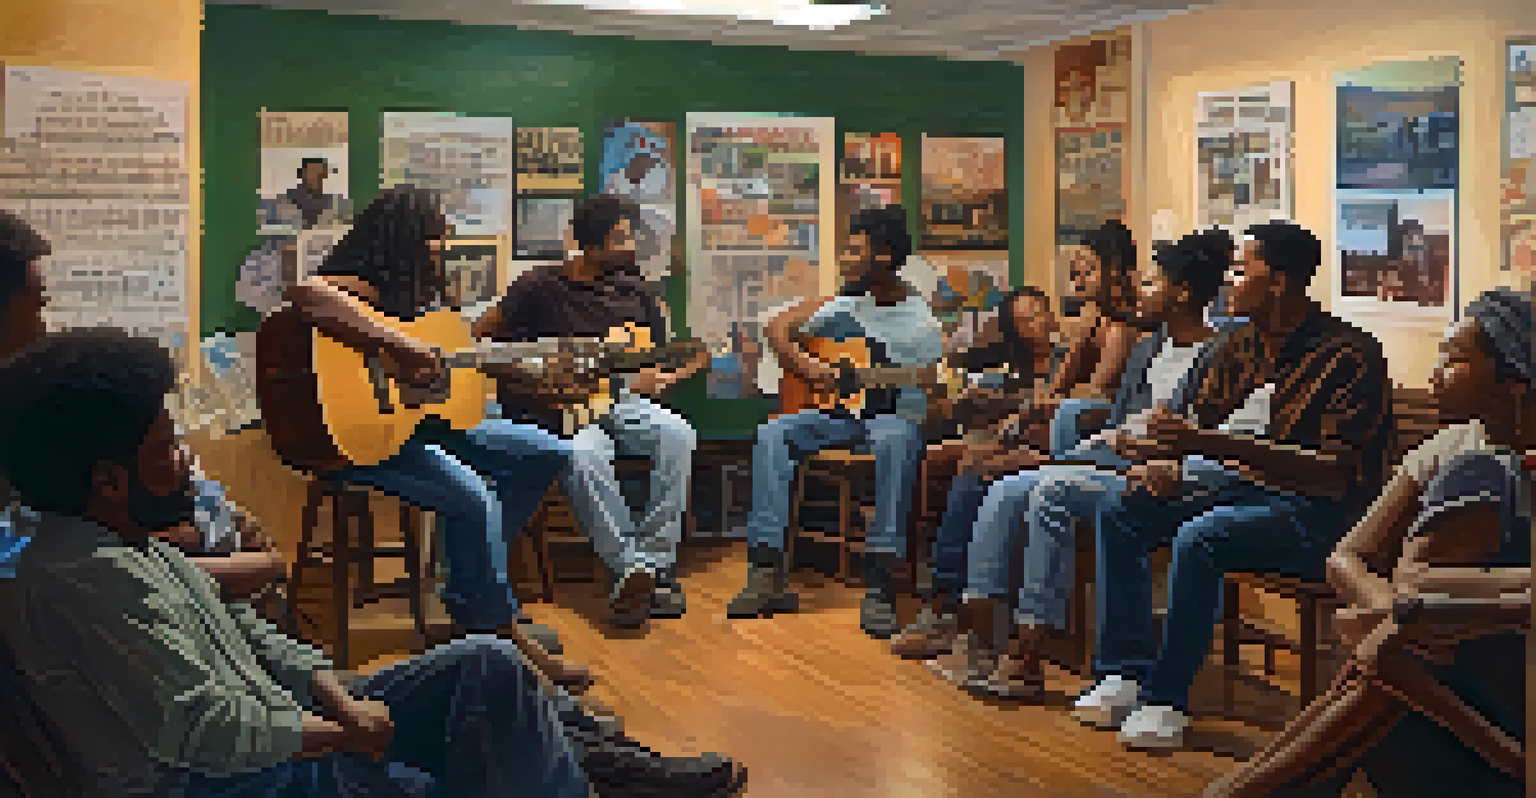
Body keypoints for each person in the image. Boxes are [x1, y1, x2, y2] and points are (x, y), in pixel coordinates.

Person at [0, 328, 747, 798]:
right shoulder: (86, 577)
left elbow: (251, 639)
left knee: (487, 661)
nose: (184, 465)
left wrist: (333, 694)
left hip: (274, 732)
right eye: (166, 451)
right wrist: (342, 734)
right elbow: (209, 735)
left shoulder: (125, 542)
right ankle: (579, 763)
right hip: (243, 779)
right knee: (467, 736)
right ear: (107, 480)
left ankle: (581, 760)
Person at [1063, 220, 1394, 749]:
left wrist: (1203, 446)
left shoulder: (1349, 355)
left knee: (1202, 536)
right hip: (1236, 485)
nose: (1228, 283)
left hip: (1323, 517)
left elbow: (1333, 473)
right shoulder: (1237, 347)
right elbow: (1195, 425)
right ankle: (1123, 672)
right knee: (1125, 508)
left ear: (1280, 282)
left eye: (1241, 271)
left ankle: (1166, 699)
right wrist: (1160, 456)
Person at [1204, 287, 1533, 797]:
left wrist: (1405, 615)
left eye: (1454, 360)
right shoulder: (1453, 447)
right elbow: (1347, 556)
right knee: (1390, 660)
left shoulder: (1490, 468)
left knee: (1386, 662)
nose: (1435, 372)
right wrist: (1390, 607)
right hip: (1440, 653)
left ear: (1512, 381)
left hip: (1493, 656)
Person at [263, 185, 579, 677]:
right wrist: (401, 348)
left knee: (547, 452)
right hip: (363, 438)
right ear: (402, 236)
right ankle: (496, 624)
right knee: (472, 496)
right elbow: (307, 295)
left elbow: (455, 366)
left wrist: (529, 374)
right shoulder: (363, 285)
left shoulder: (424, 298)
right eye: (434, 233)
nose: (444, 240)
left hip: (422, 425)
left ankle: (470, 587)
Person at [907, 229, 1235, 688]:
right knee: (1001, 489)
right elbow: (1111, 413)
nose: (1142, 290)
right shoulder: (1149, 349)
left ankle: (1027, 653)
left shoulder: (1219, 352)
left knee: (1045, 488)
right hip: (1108, 454)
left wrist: (1125, 447)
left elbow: (1200, 436)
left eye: (1152, 283)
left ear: (1181, 294)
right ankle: (977, 638)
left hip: (1156, 469)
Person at [474, 195, 708, 629]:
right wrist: (540, 377)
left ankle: (655, 567)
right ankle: (628, 567)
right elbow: (484, 337)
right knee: (581, 455)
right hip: (565, 410)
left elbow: (651, 357)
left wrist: (664, 373)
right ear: (589, 244)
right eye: (621, 239)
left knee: (678, 433)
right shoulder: (538, 287)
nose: (631, 246)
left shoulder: (635, 291)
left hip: (622, 400)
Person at [726, 205, 945, 638]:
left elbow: (930, 399)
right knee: (774, 432)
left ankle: (881, 582)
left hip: (894, 417)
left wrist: (918, 397)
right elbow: (776, 328)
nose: (844, 260)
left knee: (897, 441)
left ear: (882, 256)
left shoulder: (921, 325)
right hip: (844, 416)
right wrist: (811, 371)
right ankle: (766, 569)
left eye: (852, 251)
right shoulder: (847, 301)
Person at [893, 285, 1062, 648]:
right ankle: (941, 596)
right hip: (1015, 442)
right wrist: (985, 401)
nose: (1035, 323)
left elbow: (1056, 408)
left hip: (1050, 448)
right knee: (948, 459)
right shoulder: (1011, 365)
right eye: (1022, 320)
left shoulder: (1070, 356)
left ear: (1051, 313)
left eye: (1037, 313)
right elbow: (958, 362)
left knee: (975, 469)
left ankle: (949, 605)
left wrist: (1011, 413)